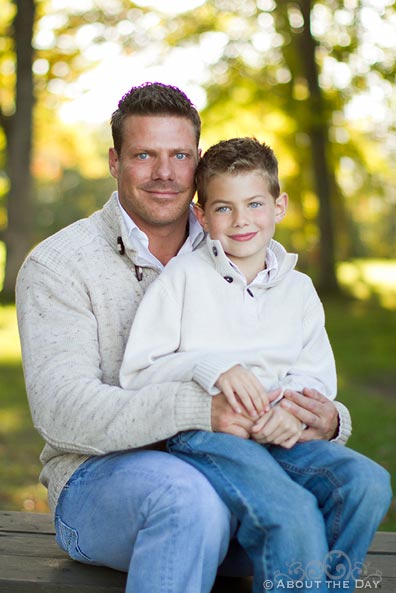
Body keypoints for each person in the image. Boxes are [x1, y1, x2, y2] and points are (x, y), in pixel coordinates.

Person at [14, 82, 368, 593]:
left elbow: (291, 358)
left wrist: (328, 417)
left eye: (179, 154)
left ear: (197, 160)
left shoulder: (235, 239)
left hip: (242, 466)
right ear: (115, 161)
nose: (164, 172)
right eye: (144, 155)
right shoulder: (59, 265)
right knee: (187, 498)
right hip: (102, 480)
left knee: (350, 489)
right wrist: (201, 410)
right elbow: (63, 412)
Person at [119, 137, 392, 592]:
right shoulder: (183, 279)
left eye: (255, 204)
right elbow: (139, 371)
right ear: (202, 216)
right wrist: (211, 368)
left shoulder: (299, 289)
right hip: (209, 436)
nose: (242, 221)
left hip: (281, 435)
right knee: (291, 512)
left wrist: (289, 410)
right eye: (224, 208)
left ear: (279, 205)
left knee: (367, 481)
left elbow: (316, 373)